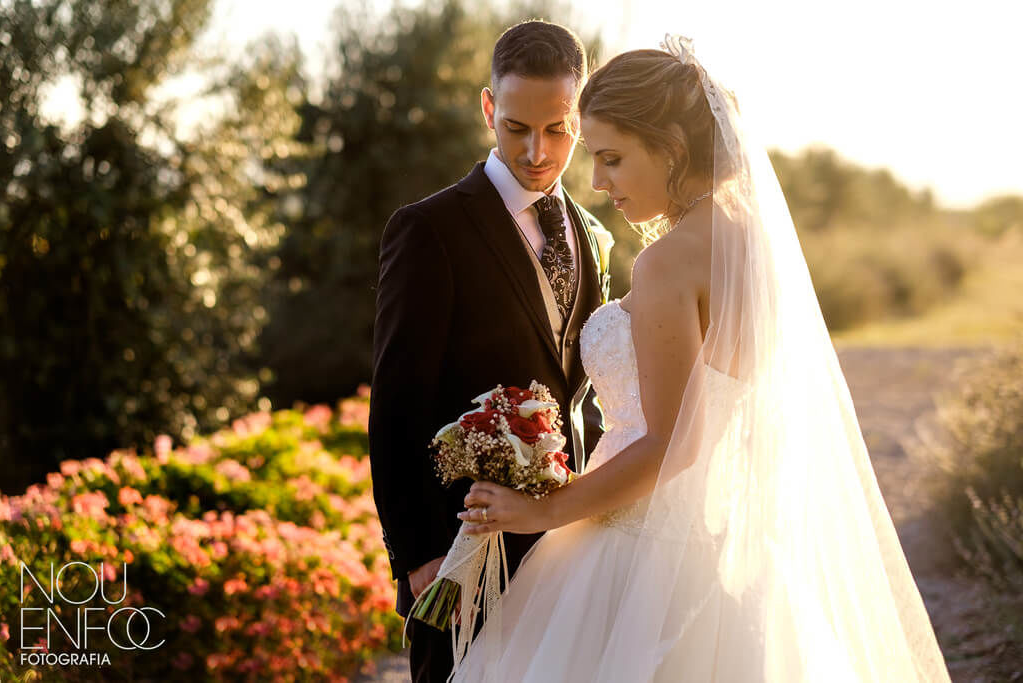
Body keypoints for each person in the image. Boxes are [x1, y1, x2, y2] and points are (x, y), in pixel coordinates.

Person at [450, 38, 952, 682]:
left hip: (639, 551)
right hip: (725, 548)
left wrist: (543, 510)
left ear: (672, 150)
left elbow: (670, 443)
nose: (599, 182)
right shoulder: (754, 248)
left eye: (612, 158)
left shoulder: (670, 261)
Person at [367, 20, 615, 683]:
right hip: (464, 559)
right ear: (488, 110)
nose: (537, 151)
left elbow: (582, 391)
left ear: (582, 117)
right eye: (516, 127)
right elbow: (396, 405)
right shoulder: (429, 230)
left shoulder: (593, 234)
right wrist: (416, 555)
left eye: (558, 129)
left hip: (574, 551)